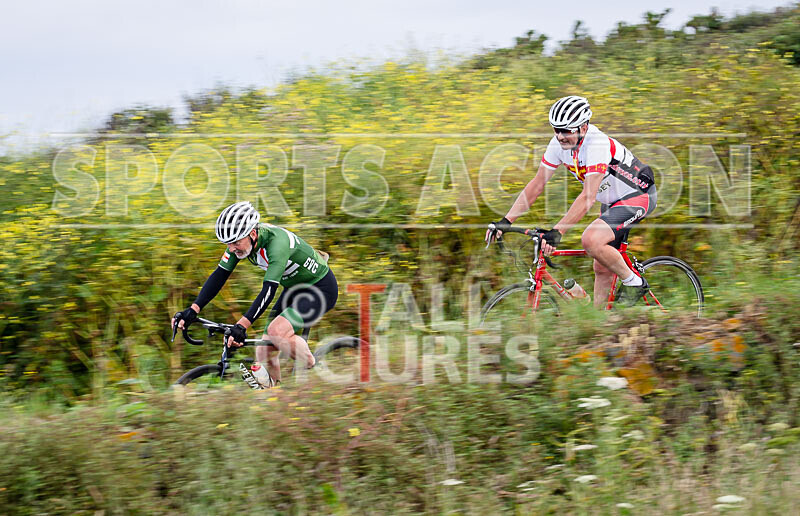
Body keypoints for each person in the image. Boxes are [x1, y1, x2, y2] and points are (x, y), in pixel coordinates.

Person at [485, 95, 657, 307]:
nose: (560, 136)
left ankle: (634, 283)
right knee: (601, 266)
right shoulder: (558, 144)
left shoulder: (597, 144)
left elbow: (587, 197)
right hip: (612, 201)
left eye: (566, 130)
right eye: (556, 130)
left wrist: (558, 231)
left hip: (637, 195)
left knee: (591, 240)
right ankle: (599, 324)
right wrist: (506, 221)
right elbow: (537, 184)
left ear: (583, 128)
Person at [172, 201, 337, 387]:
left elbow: (268, 290)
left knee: (277, 332)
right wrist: (193, 310)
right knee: (263, 352)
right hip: (293, 287)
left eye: (235, 242)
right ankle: (278, 397)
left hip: (320, 287)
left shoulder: (277, 244)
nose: (232, 248)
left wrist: (242, 326)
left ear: (252, 233)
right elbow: (219, 276)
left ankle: (315, 370)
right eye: (228, 243)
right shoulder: (242, 244)